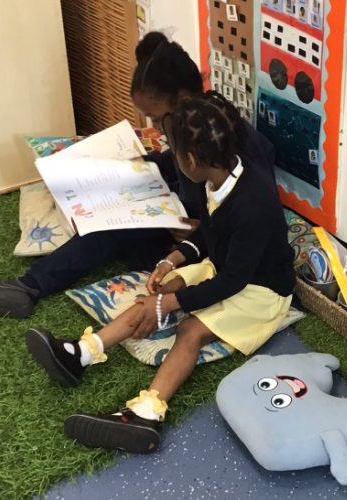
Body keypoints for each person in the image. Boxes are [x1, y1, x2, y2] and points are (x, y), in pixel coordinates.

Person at [25, 92, 295, 453]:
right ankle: (81, 353)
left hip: (262, 290)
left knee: (189, 329)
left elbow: (234, 281)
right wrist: (173, 260)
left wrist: (172, 304)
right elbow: (211, 232)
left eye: (173, 151)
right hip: (225, 266)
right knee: (159, 291)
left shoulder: (254, 203)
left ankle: (147, 414)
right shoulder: (218, 177)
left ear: (190, 159)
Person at [0, 31, 275, 319]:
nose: (155, 127)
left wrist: (201, 229)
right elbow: (171, 163)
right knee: (113, 212)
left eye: (156, 118)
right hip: (177, 214)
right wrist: (119, 170)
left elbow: (249, 218)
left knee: (112, 232)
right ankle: (34, 282)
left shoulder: (234, 146)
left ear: (183, 99)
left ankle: (30, 285)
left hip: (208, 238)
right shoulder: (190, 128)